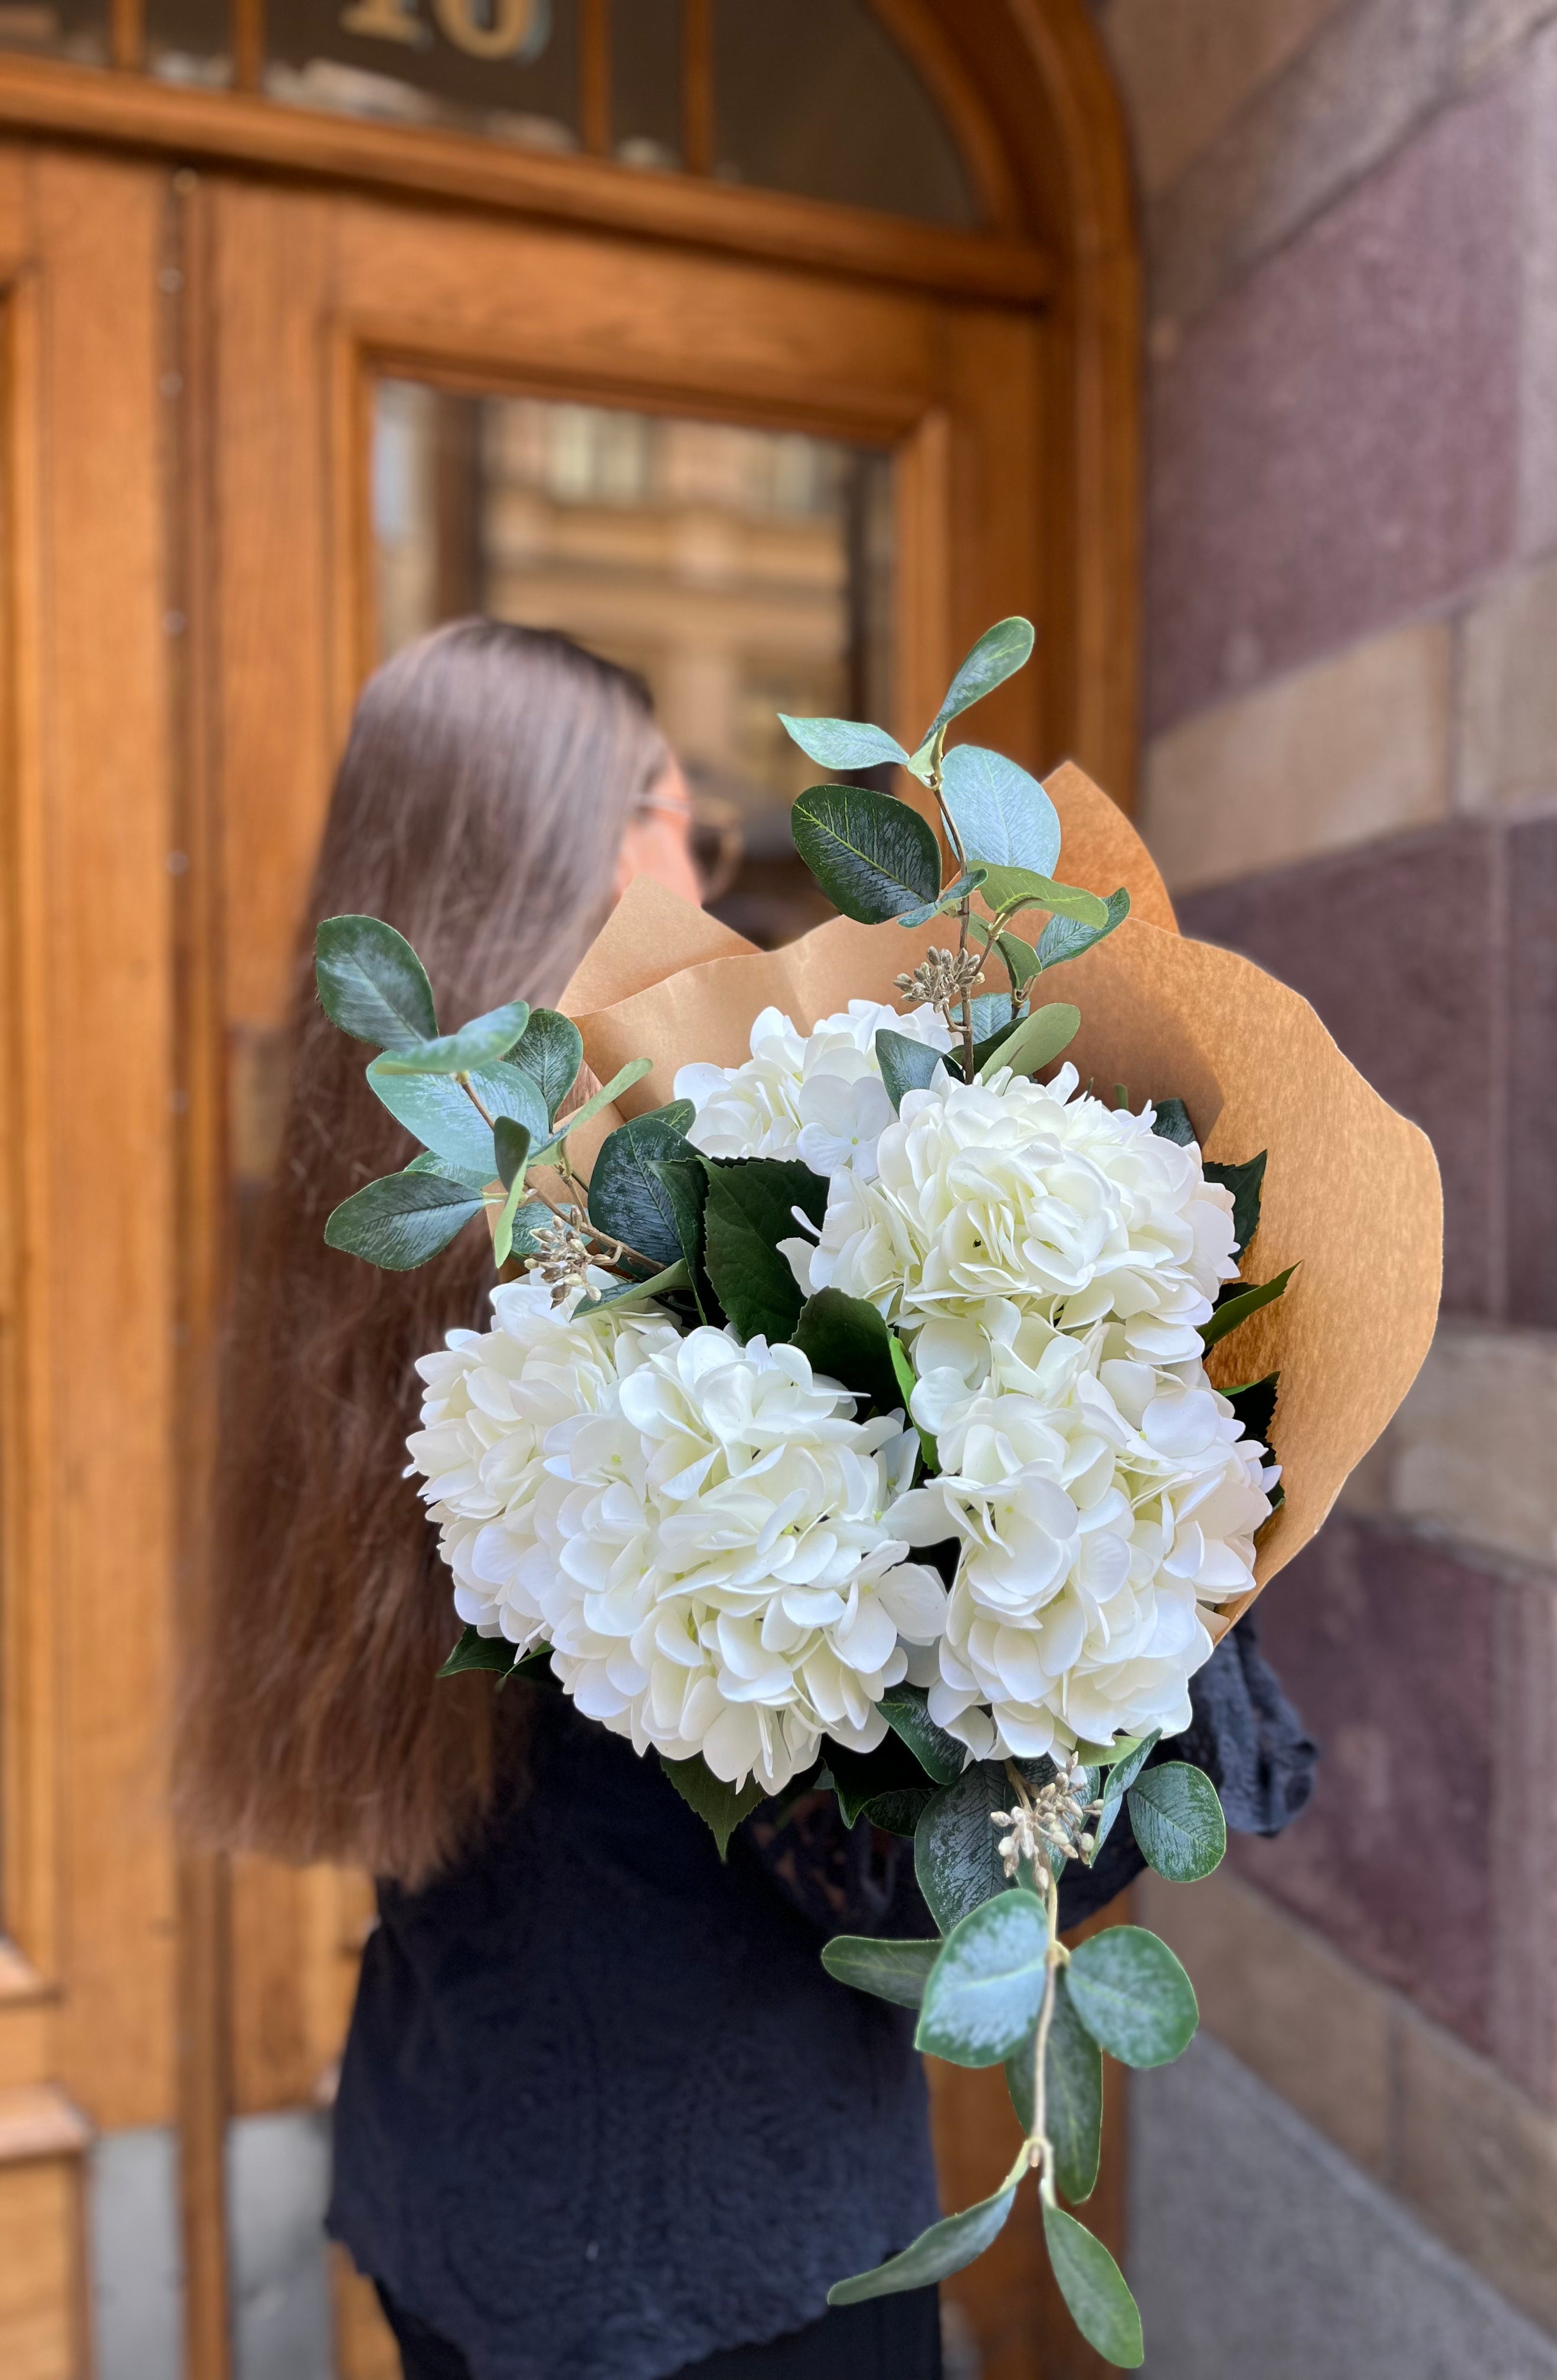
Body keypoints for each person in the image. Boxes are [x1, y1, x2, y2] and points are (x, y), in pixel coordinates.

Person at [178, 617, 1316, 2380]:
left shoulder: (379, 1222)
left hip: (447, 2143)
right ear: (554, 853)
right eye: (665, 818)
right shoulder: (624, 1261)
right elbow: (879, 1873)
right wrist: (1126, 1522)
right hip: (703, 2248)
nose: (692, 873)